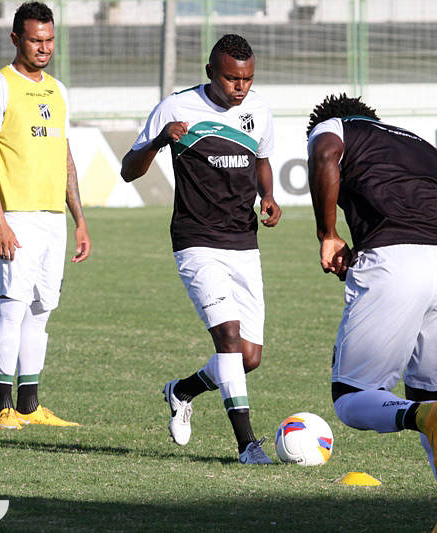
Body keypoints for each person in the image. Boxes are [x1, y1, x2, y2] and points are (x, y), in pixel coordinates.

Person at [306, 94, 437, 533]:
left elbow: (324, 152)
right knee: (433, 395)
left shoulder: (335, 127)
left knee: (351, 398)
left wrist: (328, 234)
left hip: (393, 261)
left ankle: (420, 418)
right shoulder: (429, 151)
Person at [121, 34, 281, 464]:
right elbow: (128, 171)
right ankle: (247, 445)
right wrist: (160, 141)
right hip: (196, 241)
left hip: (244, 241)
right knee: (227, 338)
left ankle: (182, 390)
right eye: (231, 79)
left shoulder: (259, 109)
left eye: (247, 79)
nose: (240, 88)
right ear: (210, 72)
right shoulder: (175, 108)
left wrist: (267, 195)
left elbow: (262, 159)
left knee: (248, 357)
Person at [0, 1, 91, 430]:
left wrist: (79, 219)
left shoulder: (58, 90)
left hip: (53, 218)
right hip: (17, 216)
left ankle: (29, 404)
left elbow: (65, 156)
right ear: (16, 39)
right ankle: (4, 407)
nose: (44, 48)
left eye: (49, 40)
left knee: (40, 311)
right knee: (12, 307)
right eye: (35, 40)